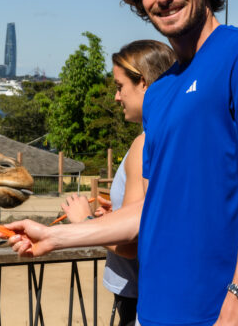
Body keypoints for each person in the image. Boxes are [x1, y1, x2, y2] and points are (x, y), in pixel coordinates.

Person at [4, 0, 238, 325]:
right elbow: (147, 211)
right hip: (153, 312)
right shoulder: (160, 93)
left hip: (221, 314)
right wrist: (54, 236)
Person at [62, 40, 176, 326]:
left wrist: (85, 221)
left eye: (119, 86)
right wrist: (116, 214)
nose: (116, 97)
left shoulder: (144, 143)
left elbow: (133, 245)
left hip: (138, 293)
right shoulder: (171, 136)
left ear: (145, 84)